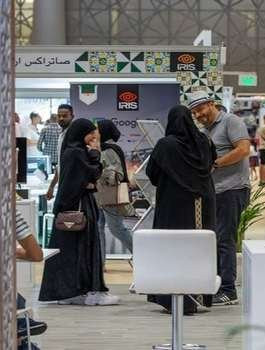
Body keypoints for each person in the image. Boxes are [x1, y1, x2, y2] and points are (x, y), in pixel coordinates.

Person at [39, 118, 119, 306]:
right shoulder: (76, 153)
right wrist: (95, 154)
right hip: (80, 207)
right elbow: (91, 174)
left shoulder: (72, 151)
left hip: (73, 206)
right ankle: (90, 292)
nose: (94, 136)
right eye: (90, 132)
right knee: (85, 248)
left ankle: (72, 292)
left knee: (72, 250)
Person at [146, 105, 217, 313]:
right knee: (199, 248)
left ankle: (172, 298)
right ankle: (199, 298)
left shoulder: (165, 145)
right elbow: (212, 164)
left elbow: (152, 173)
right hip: (202, 202)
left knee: (172, 248)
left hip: (172, 204)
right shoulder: (203, 141)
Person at [189, 91, 250, 306]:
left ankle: (228, 290)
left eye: (201, 109)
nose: (198, 115)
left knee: (225, 239)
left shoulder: (231, 121)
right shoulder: (205, 131)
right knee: (214, 239)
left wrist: (215, 164)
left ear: (212, 104)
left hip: (232, 190)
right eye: (195, 112)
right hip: (215, 192)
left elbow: (243, 150)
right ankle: (215, 286)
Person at [96, 120, 135, 266]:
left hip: (110, 195)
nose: (95, 133)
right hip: (101, 195)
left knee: (116, 228)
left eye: (97, 130)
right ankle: (100, 263)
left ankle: (141, 253)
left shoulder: (109, 149)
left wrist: (98, 171)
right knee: (99, 228)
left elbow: (114, 174)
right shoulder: (106, 148)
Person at [15, 210, 46, 350]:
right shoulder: (8, 209)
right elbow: (36, 254)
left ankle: (20, 326)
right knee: (15, 299)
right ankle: (19, 326)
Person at [46, 104, 75, 201]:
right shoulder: (61, 135)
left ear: (72, 116)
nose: (61, 118)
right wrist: (51, 186)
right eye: (59, 116)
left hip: (73, 186)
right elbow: (60, 165)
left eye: (65, 116)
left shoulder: (74, 135)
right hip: (63, 185)